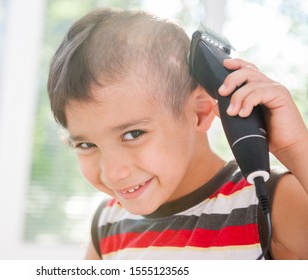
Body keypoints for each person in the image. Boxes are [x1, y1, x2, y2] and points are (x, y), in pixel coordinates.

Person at [47, 8, 308, 259]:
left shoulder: (267, 202)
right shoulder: (108, 225)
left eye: (133, 133)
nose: (112, 173)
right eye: (85, 145)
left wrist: (296, 147)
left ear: (200, 113)